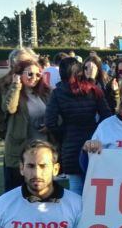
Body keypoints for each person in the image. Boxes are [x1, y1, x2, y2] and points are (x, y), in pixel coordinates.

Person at [45, 56, 112, 195]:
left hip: (71, 144)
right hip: (93, 141)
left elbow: (50, 122)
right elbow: (106, 115)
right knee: (96, 189)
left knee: (75, 189)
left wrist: (64, 133)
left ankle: (76, 217)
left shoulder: (57, 93)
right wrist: (96, 130)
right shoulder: (93, 89)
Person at [2, 58, 52, 191]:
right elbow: (10, 108)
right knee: (16, 191)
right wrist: (16, 86)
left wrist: (50, 125)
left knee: (40, 189)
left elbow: (55, 114)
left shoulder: (46, 93)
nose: (34, 78)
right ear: (18, 74)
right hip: (18, 148)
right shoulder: (11, 90)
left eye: (38, 74)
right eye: (29, 74)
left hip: (41, 148)